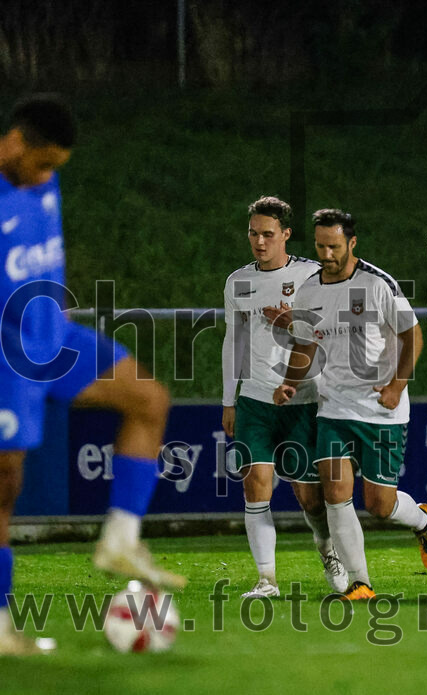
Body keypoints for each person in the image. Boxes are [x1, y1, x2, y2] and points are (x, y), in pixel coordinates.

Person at [0, 94, 184, 654]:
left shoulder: (41, 181)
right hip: (8, 358)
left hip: (54, 340)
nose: (49, 176)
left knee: (149, 399)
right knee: (4, 488)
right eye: (44, 163)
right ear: (14, 143)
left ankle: (121, 541)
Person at [273, 208, 427, 600]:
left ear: (352, 243)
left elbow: (413, 336)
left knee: (379, 505)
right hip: (333, 407)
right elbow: (306, 344)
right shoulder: (310, 289)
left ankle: (421, 519)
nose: (326, 254)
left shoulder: (378, 284)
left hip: (381, 410)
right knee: (334, 492)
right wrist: (289, 384)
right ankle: (359, 583)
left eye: (334, 246)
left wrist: (397, 386)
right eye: (320, 246)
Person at [222, 196, 347, 598]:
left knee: (309, 496)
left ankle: (329, 551)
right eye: (254, 234)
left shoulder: (313, 276)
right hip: (256, 399)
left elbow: (331, 328)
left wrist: (295, 321)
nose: (259, 242)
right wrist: (229, 399)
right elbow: (233, 341)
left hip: (305, 399)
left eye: (268, 235)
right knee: (255, 482)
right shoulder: (237, 282)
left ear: (286, 235)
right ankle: (266, 579)